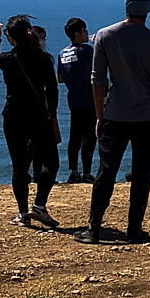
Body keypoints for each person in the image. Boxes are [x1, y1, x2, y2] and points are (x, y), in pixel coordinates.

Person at [81, 0, 150, 244]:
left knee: (106, 172)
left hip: (114, 115)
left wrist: (99, 115)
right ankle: (134, 230)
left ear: (126, 6)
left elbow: (98, 81)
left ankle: (94, 227)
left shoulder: (105, 36)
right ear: (149, 9)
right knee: (141, 175)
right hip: (147, 118)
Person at [0, 14, 61, 228]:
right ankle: (39, 205)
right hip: (39, 116)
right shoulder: (44, 58)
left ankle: (22, 213)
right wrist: (51, 113)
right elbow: (53, 89)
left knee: (20, 166)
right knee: (51, 162)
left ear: (10, 37)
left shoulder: (8, 59)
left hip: (13, 116)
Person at [57, 18, 97, 182]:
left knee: (75, 136)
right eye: (84, 31)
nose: (87, 34)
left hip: (73, 99)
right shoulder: (86, 51)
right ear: (77, 34)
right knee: (89, 137)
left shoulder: (62, 53)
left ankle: (73, 172)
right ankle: (87, 173)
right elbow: (98, 71)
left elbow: (60, 78)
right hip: (90, 99)